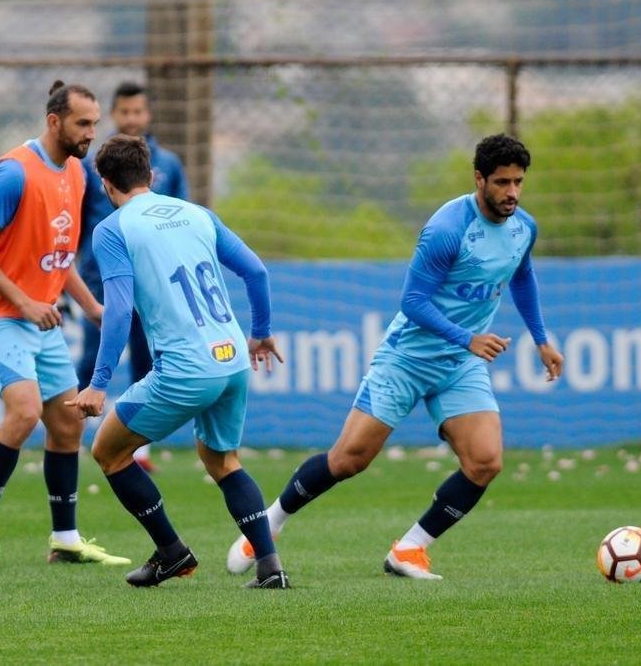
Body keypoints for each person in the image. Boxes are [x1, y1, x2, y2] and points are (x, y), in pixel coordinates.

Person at [225, 133, 564, 580]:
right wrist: (467, 338)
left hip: (458, 364)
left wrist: (540, 338)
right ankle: (269, 523)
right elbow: (413, 302)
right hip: (407, 358)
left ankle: (409, 549)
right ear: (479, 179)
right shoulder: (447, 229)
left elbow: (522, 276)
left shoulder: (524, 227)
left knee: (486, 461)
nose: (513, 193)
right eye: (502, 183)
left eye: (519, 182)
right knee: (349, 460)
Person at [68, 135, 290, 589]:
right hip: (231, 360)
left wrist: (98, 383)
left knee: (108, 452)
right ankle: (270, 567)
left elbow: (118, 309)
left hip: (186, 368)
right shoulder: (197, 214)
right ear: (151, 176)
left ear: (105, 184)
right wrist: (261, 332)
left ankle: (172, 551)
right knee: (222, 460)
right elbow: (256, 271)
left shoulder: (113, 228)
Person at [0, 80, 130, 570]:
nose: (91, 133)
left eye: (95, 123)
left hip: (41, 317)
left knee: (67, 422)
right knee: (24, 412)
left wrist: (92, 306)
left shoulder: (75, 173)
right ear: (54, 122)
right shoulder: (13, 173)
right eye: (83, 123)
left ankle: (66, 539)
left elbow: (61, 257)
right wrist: (27, 301)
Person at [75, 81, 189, 472]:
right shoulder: (94, 164)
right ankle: (71, 438)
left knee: (147, 358)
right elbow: (78, 219)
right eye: (124, 112)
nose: (131, 118)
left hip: (153, 278)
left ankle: (139, 450)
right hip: (101, 274)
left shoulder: (168, 165)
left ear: (148, 114)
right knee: (94, 355)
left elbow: (181, 213)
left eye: (138, 112)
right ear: (114, 114)